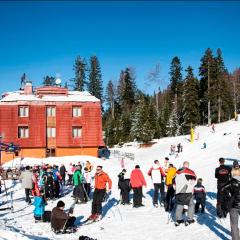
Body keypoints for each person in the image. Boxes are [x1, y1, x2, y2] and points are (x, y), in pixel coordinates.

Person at [174, 161, 197, 226]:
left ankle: (178, 219)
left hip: (178, 191)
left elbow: (173, 180)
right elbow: (194, 178)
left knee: (180, 204)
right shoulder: (189, 171)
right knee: (191, 204)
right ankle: (190, 219)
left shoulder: (177, 171)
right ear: (188, 166)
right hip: (187, 191)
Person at [221, 167, 240, 240]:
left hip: (234, 206)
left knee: (234, 225)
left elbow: (222, 189)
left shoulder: (231, 182)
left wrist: (228, 197)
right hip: (235, 206)